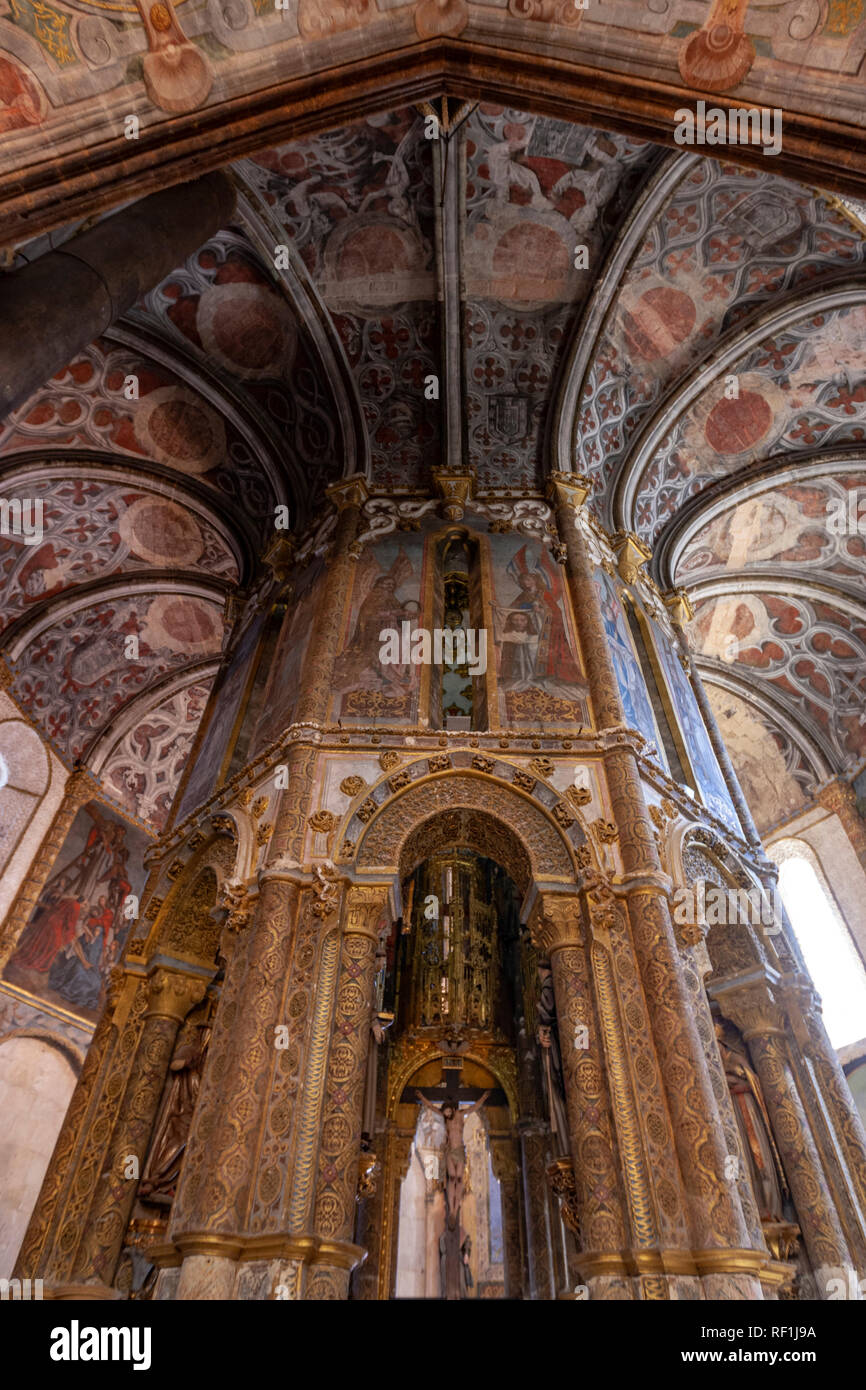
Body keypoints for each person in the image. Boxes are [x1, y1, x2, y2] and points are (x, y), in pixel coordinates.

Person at [415, 1088, 490, 1228]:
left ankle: (455, 1209)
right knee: (452, 1178)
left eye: (448, 1112)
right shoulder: (445, 1118)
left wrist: (483, 1098)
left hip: (460, 1150)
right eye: (445, 1113)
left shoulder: (460, 1115)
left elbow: (474, 1107)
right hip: (450, 1151)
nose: (446, 1115)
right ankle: (452, 1211)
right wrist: (421, 1097)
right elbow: (431, 1107)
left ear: (452, 1109)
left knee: (459, 1179)